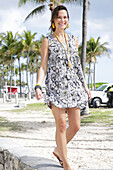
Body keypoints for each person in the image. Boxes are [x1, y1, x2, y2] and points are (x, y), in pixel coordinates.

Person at [35, 5, 91, 170]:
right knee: (60, 125)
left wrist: (85, 87)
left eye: (65, 17)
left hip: (73, 88)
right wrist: (38, 85)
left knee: (75, 126)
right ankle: (65, 163)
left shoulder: (73, 39)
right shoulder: (47, 40)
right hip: (56, 88)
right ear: (53, 20)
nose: (62, 20)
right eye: (59, 17)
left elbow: (77, 66)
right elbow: (43, 66)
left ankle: (58, 151)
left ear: (68, 20)